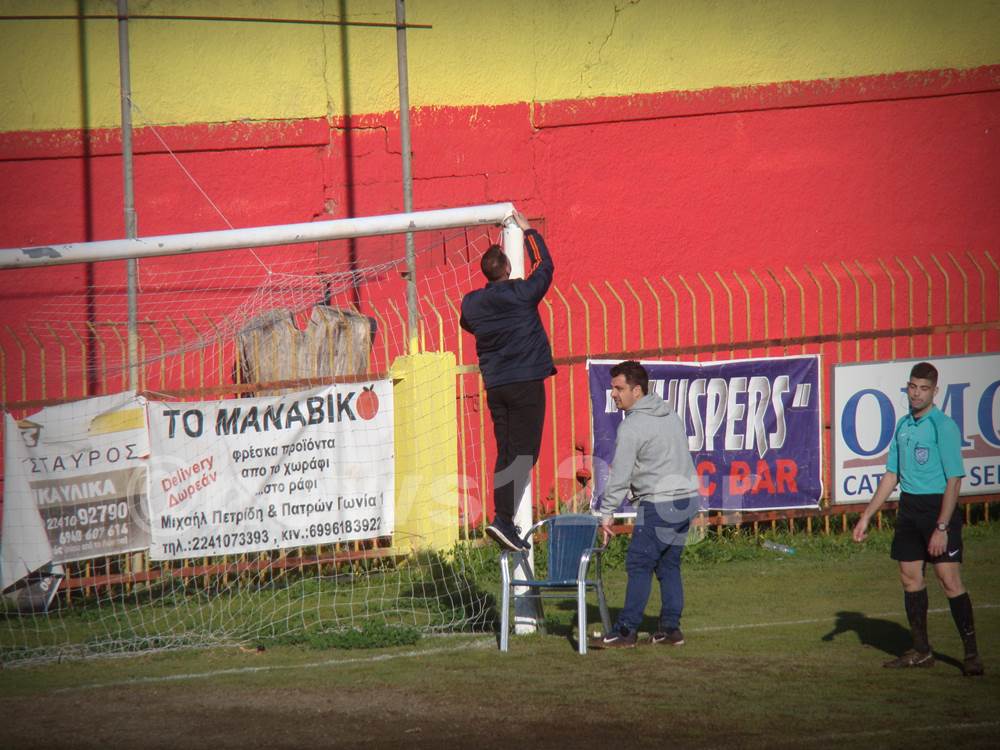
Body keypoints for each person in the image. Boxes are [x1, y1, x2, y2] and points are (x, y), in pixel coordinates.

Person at [852, 361, 983, 676]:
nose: (916, 394)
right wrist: (866, 516)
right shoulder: (903, 425)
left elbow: (954, 480)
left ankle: (971, 655)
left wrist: (942, 526)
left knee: (949, 581)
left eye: (923, 388)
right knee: (910, 577)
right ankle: (922, 650)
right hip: (909, 508)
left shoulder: (943, 426)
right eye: (912, 387)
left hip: (938, 508)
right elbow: (891, 474)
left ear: (935, 391)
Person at [460, 210, 555, 551]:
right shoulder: (522, 293)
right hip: (525, 381)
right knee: (525, 454)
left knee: (507, 452)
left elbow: (466, 323)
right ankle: (503, 519)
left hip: (496, 384)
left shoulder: (472, 303)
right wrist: (529, 232)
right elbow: (545, 265)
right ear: (509, 269)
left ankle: (504, 521)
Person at [591, 360, 699, 648]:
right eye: (612, 388)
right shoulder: (670, 415)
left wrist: (607, 513)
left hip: (660, 502)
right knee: (668, 565)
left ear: (636, 391)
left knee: (639, 563)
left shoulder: (632, 426)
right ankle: (671, 630)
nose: (613, 394)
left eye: (619, 388)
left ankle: (626, 631)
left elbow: (621, 475)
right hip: (687, 498)